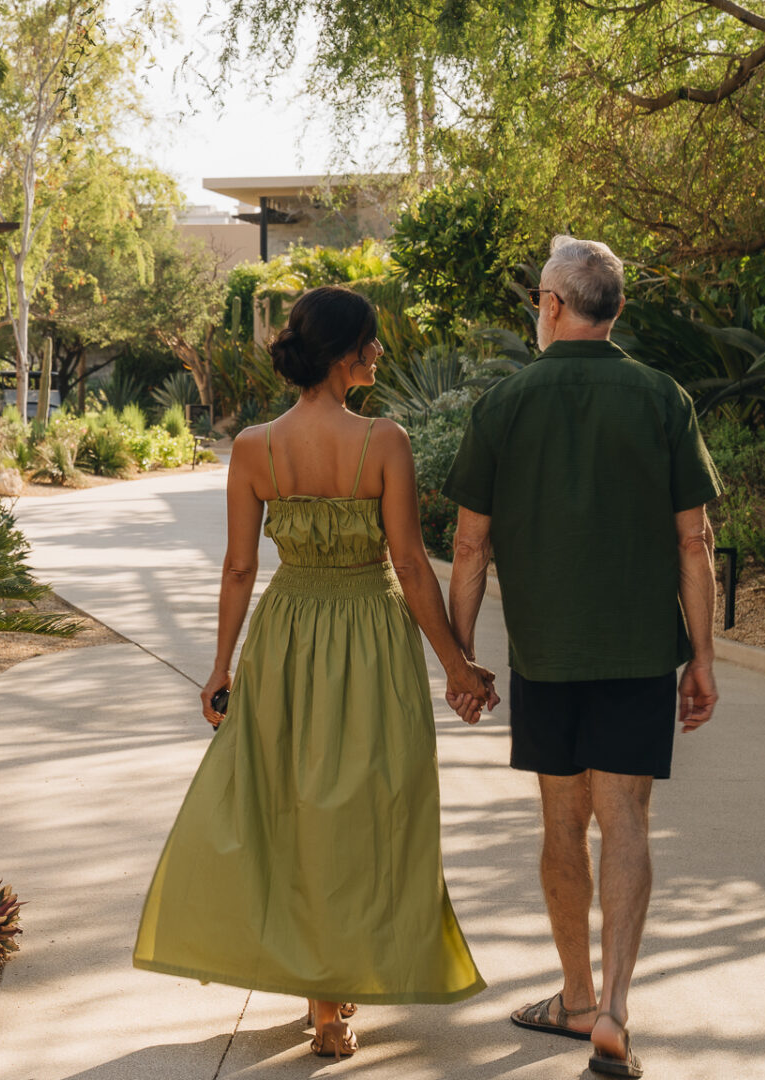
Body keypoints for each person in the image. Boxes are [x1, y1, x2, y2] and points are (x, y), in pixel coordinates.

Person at [132, 284, 495, 1060]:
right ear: (346, 354)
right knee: (371, 805)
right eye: (372, 342)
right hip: (371, 632)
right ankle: (335, 991)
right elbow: (409, 564)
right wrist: (456, 667)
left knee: (296, 805)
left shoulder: (256, 448)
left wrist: (221, 667)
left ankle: (324, 995)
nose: (380, 353)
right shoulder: (385, 441)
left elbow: (237, 568)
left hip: (289, 633)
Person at [443, 235, 722, 1079]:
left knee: (563, 821)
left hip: (546, 654)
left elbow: (468, 545)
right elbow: (694, 540)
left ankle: (571, 995)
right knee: (626, 820)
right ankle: (613, 1012)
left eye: (539, 300)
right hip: (638, 651)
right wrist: (702, 656)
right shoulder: (661, 397)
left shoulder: (506, 404)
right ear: (618, 311)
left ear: (554, 305)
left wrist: (463, 659)